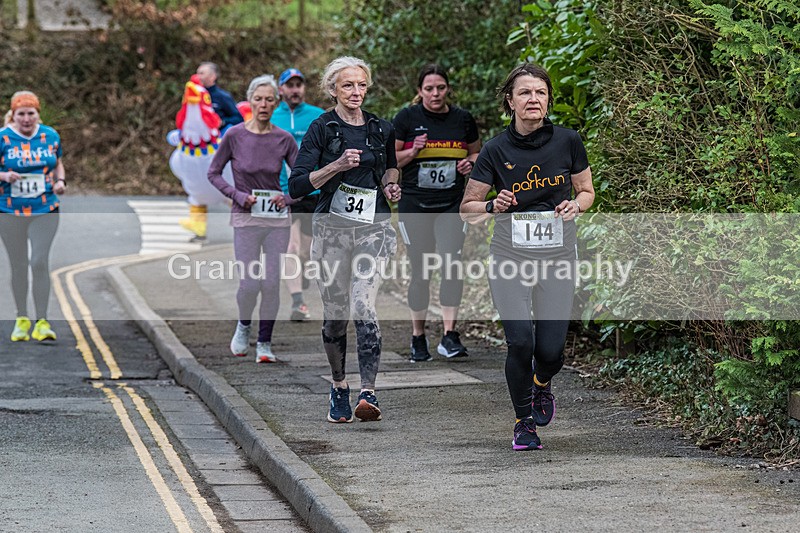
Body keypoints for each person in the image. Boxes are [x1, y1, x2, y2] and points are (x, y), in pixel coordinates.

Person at [460, 64, 595, 451]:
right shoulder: (495, 150)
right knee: (520, 342)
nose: (533, 99)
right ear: (510, 100)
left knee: (551, 352)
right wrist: (491, 206)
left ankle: (541, 384)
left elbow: (586, 191)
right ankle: (523, 422)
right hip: (509, 257)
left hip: (556, 256)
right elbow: (467, 209)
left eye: (540, 92)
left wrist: (576, 206)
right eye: (525, 93)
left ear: (548, 99)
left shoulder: (568, 141)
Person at [289, 56, 401, 424]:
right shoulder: (321, 129)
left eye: (361, 85)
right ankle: (339, 386)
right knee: (336, 316)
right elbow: (298, 184)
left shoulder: (381, 128)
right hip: (331, 230)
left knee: (363, 305)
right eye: (348, 85)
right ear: (333, 89)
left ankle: (368, 392)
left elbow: (389, 164)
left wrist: (390, 184)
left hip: (373, 227)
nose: (356, 92)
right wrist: (336, 165)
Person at [393, 64, 481, 362]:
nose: (435, 93)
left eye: (440, 88)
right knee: (421, 270)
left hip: (451, 205)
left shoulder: (462, 119)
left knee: (452, 264)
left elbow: (477, 154)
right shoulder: (407, 118)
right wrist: (412, 152)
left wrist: (469, 163)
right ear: (419, 91)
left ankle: (449, 335)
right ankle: (418, 336)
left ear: (448, 89)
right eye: (429, 88)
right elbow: (390, 161)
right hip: (415, 206)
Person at [208, 75, 298, 363]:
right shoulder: (234, 135)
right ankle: (244, 325)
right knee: (249, 283)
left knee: (271, 283)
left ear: (276, 103)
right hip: (246, 217)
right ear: (250, 102)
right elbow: (213, 173)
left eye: (269, 100)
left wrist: (287, 198)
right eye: (258, 99)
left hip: (275, 219)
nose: (263, 104)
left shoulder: (284, 139)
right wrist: (236, 194)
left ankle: (265, 343)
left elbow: (302, 179)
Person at [0, 91, 66, 342]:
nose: (26, 119)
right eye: (21, 114)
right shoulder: (3, 138)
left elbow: (58, 162)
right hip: (9, 210)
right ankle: (21, 319)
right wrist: (4, 176)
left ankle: (42, 322)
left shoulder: (50, 135)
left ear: (38, 114)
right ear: (13, 115)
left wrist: (60, 181)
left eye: (31, 113)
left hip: (45, 208)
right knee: (18, 265)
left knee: (38, 262)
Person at [272, 68, 324, 321]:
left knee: (307, 250)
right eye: (289, 85)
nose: (295, 90)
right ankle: (298, 303)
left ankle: (301, 272)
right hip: (282, 191)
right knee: (290, 247)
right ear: (280, 89)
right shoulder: (271, 117)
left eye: (298, 85)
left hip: (313, 189)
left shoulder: (318, 116)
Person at [182, 62, 245, 241]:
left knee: (226, 189)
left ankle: (244, 225)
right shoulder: (192, 96)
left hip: (217, 151)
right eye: (197, 72)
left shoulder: (222, 97)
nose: (198, 76)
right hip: (197, 154)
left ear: (213, 76)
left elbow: (237, 118)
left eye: (202, 73)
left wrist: (221, 123)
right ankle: (199, 231)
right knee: (198, 191)